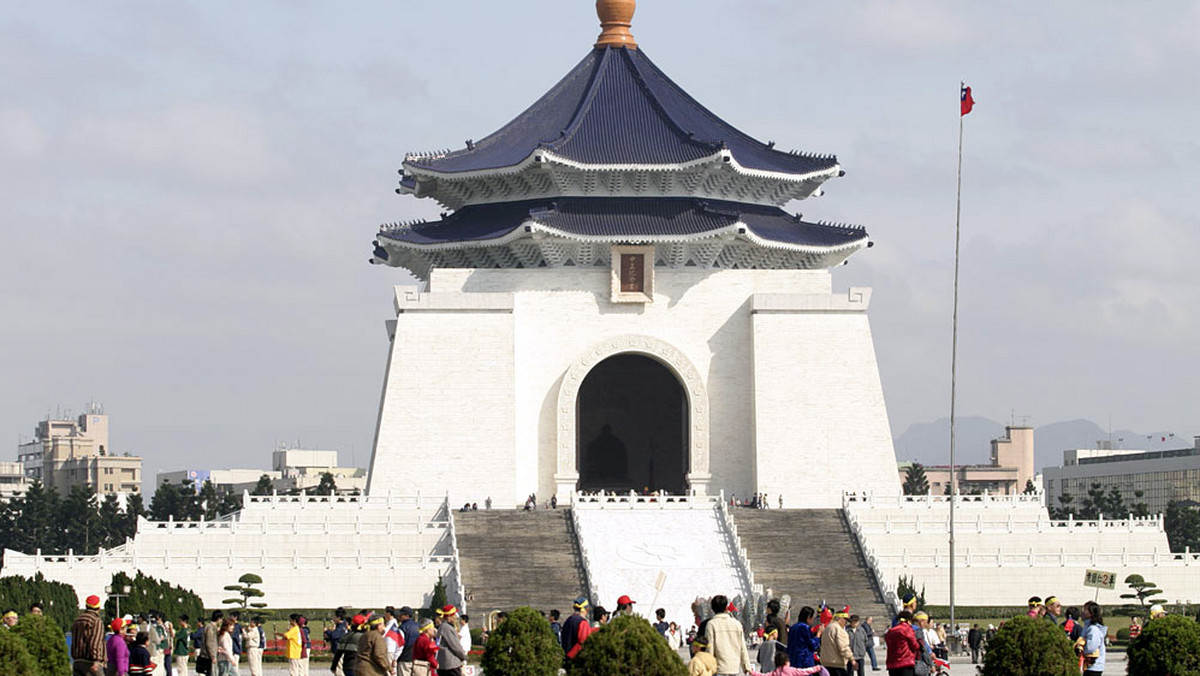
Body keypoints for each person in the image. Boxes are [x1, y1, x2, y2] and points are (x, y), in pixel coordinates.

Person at [704, 595, 751, 676]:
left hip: (719, 668)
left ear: (712, 609)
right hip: (734, 668)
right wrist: (746, 667)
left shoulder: (711, 624)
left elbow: (710, 648)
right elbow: (743, 647)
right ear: (726, 608)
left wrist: (708, 668)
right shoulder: (736, 624)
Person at [73, 595, 108, 676]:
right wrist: (96, 660)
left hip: (77, 660)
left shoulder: (78, 620)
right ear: (98, 607)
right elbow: (95, 641)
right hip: (90, 662)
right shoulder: (96, 621)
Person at [819, 608, 855, 676]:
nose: (846, 623)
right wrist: (852, 659)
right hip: (836, 664)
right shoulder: (839, 630)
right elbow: (843, 647)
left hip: (826, 663)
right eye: (845, 620)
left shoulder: (828, 627)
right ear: (839, 618)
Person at [434, 605, 468, 676]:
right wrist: (463, 656)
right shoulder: (447, 628)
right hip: (450, 664)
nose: (456, 617)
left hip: (445, 664)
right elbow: (455, 645)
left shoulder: (443, 627)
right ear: (449, 617)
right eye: (454, 615)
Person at [883, 611, 919, 676]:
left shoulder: (891, 631)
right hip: (905, 663)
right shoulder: (907, 629)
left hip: (892, 664)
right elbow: (915, 645)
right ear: (909, 620)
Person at [560, 596, 593, 662]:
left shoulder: (569, 620)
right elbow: (583, 641)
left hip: (565, 654)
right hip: (575, 658)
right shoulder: (583, 622)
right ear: (587, 609)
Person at [749, 650, 828, 676]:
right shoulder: (792, 670)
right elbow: (805, 671)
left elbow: (764, 675)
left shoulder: (775, 672)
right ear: (786, 661)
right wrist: (816, 668)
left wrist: (753, 673)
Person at [1081, 601, 1106, 676]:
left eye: (1085, 609)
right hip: (1088, 667)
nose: (1082, 612)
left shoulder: (1093, 629)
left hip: (1094, 667)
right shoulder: (1087, 627)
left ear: (1091, 613)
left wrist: (1081, 646)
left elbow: (1091, 647)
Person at [396, 606, 419, 676]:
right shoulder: (418, 626)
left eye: (401, 614)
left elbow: (399, 644)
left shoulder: (402, 628)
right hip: (417, 658)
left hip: (404, 658)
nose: (399, 616)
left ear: (406, 615)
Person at [200, 611, 222, 676]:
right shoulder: (210, 627)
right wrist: (213, 656)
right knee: (212, 673)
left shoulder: (212, 627)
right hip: (208, 655)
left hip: (211, 654)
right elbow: (209, 643)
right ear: (218, 618)